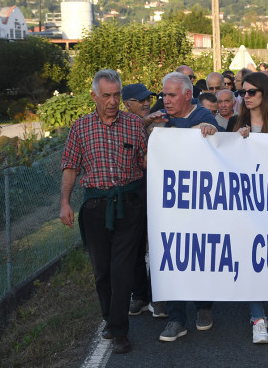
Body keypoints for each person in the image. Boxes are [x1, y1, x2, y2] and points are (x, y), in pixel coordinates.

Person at [60, 69, 148, 355]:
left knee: (122, 269)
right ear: (94, 96)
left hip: (129, 205)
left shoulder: (134, 124)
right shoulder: (80, 127)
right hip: (95, 207)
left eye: (116, 95)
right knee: (102, 271)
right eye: (106, 95)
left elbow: (146, 162)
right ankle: (110, 319)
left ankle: (120, 331)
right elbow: (70, 167)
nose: (112, 101)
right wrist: (65, 203)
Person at [146, 72, 220, 342]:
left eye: (171, 95)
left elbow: (217, 145)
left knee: (200, 254)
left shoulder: (203, 118)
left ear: (188, 95)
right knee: (172, 256)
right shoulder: (158, 118)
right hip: (168, 204)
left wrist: (213, 133)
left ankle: (203, 306)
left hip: (200, 203)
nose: (165, 100)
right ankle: (177, 319)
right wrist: (147, 127)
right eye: (163, 95)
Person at [226, 72, 268, 343]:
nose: (246, 97)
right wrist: (234, 139)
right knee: (251, 256)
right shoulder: (235, 122)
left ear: (265, 93)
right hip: (245, 205)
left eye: (252, 92)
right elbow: (223, 160)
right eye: (243, 92)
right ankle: (258, 317)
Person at [120, 83, 163, 318]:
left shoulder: (158, 122)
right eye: (141, 100)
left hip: (158, 193)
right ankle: (139, 295)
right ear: (127, 104)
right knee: (134, 247)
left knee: (158, 244)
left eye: (148, 98)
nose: (147, 103)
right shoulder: (121, 126)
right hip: (134, 193)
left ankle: (157, 294)